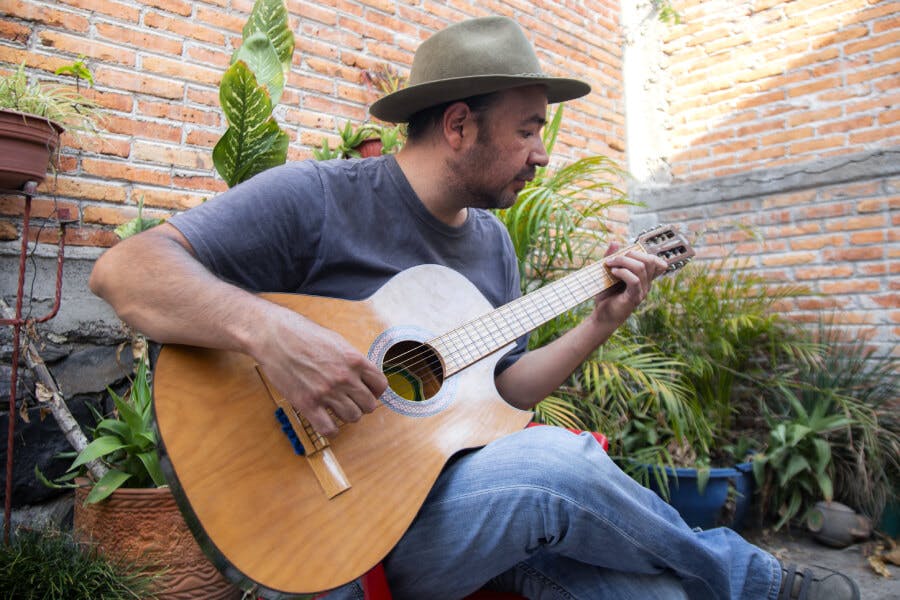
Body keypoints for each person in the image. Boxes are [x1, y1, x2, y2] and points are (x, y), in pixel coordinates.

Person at [89, 15, 860, 600]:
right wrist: (272, 333)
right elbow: (125, 271)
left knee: (648, 591)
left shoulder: (492, 247)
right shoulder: (318, 198)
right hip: (329, 515)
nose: (542, 152)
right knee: (560, 461)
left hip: (446, 506)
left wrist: (600, 321)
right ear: (459, 125)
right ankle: (763, 581)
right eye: (528, 129)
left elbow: (500, 395)